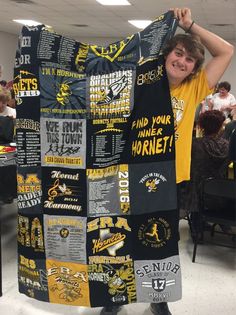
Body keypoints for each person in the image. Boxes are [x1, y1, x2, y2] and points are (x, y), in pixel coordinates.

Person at [101, 7, 234, 315]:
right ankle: (116, 295)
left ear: (193, 68)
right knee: (121, 237)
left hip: (171, 180)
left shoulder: (195, 87)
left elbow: (227, 51)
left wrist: (191, 26)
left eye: (189, 59)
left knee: (162, 241)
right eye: (178, 53)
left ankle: (158, 296)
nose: (182, 61)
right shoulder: (142, 82)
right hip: (130, 176)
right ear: (165, 55)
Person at [181, 110, 229, 231]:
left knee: (193, 183)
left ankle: (197, 229)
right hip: (220, 193)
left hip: (195, 196)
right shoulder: (226, 145)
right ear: (220, 127)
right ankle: (224, 225)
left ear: (201, 126)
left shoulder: (193, 144)